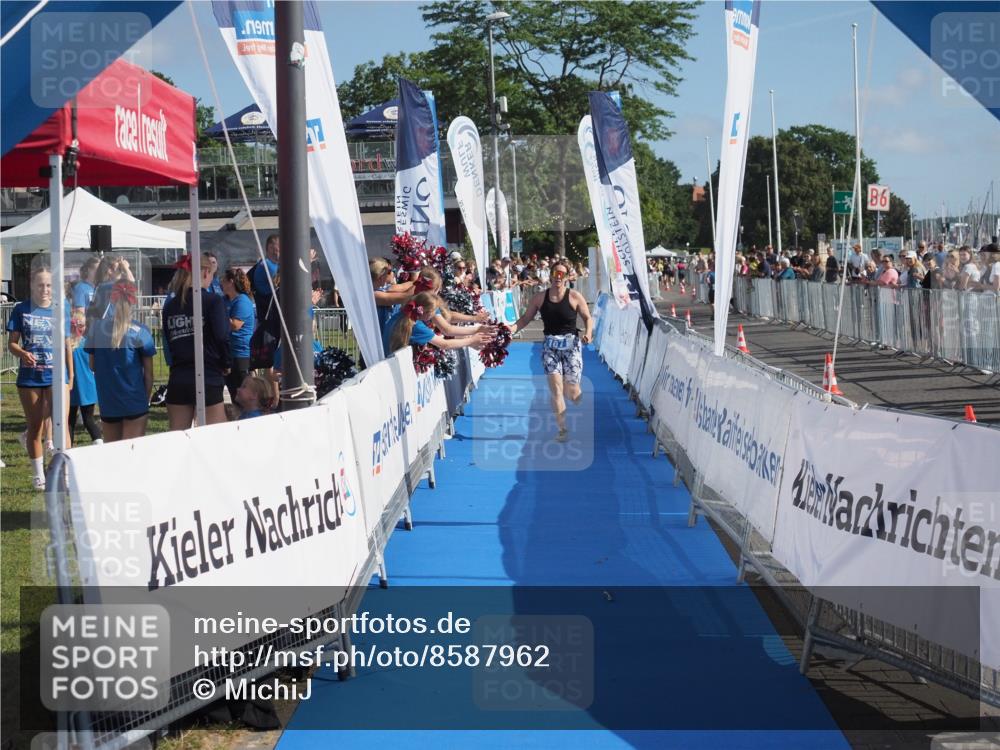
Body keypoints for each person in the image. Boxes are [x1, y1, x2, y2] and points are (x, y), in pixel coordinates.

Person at [510, 260, 593, 442]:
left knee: (572, 393)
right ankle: (562, 429)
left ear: (567, 277)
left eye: (562, 274)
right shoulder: (540, 298)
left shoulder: (574, 296)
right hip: (550, 347)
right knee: (556, 389)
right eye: (555, 273)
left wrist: (588, 333)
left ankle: (574, 392)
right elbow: (525, 319)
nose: (558, 277)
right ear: (550, 275)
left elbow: (588, 318)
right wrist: (510, 330)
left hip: (571, 347)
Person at [6, 264, 73, 489]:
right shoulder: (21, 309)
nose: (45, 289)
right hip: (30, 378)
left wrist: (70, 375)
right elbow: (11, 344)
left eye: (49, 285)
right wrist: (23, 353)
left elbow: (66, 344)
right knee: (35, 426)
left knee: (61, 425)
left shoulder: (62, 307)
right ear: (32, 285)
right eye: (40, 285)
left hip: (56, 375)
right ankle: (39, 476)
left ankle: (64, 473)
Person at [162, 254, 231, 429]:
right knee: (216, 437)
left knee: (178, 437)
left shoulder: (170, 305)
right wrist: (226, 362)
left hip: (179, 376)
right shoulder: (213, 301)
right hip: (207, 374)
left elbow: (169, 340)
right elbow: (222, 336)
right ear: (206, 272)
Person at [86, 281, 156, 442]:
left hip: (108, 402)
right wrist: (145, 400)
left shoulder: (97, 329)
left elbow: (92, 365)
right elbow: (149, 375)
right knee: (132, 456)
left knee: (113, 458)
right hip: (134, 401)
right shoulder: (141, 331)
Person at [383, 292, 492, 355]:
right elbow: (444, 344)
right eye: (435, 312)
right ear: (427, 312)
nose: (435, 315)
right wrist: (472, 340)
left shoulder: (401, 314)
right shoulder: (416, 326)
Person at [221, 267, 256, 402]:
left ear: (231, 282)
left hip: (242, 354)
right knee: (233, 393)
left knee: (244, 395)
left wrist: (218, 317)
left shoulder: (242, 301)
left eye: (223, 280)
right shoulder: (224, 300)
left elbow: (235, 325)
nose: (221, 283)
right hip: (228, 353)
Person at [68, 311, 102, 446]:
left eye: (84, 325)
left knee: (85, 419)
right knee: (72, 420)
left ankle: (98, 443)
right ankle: (97, 442)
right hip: (76, 386)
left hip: (83, 385)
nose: (82, 328)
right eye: (80, 325)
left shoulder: (83, 343)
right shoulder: (84, 343)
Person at [249, 234, 280, 323]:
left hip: (272, 314)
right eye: (274, 248)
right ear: (269, 248)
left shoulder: (275, 265)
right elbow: (281, 282)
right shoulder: (266, 265)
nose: (277, 251)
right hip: (269, 316)